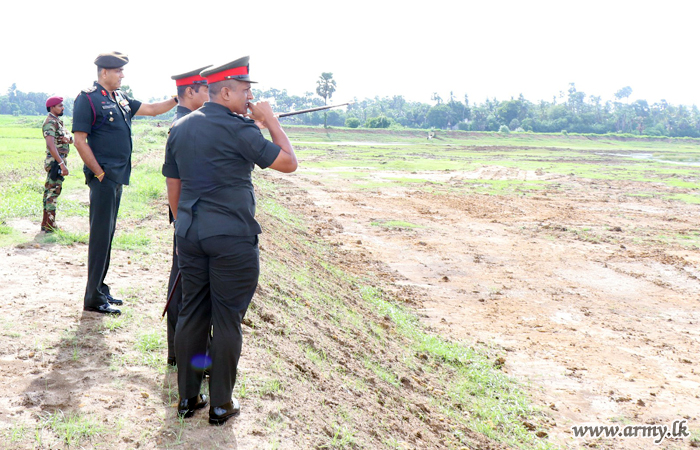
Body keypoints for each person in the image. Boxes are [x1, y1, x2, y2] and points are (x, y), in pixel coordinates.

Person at [163, 56, 297, 424]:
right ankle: (221, 403)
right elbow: (288, 162)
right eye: (246, 92)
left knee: (192, 313)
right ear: (225, 92)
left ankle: (188, 399)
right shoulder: (242, 130)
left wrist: (182, 223)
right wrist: (269, 120)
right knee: (226, 319)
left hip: (190, 234)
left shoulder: (181, 127)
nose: (251, 99)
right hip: (232, 240)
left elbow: (173, 184)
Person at [72, 51, 179, 316]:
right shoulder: (87, 99)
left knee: (107, 234)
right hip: (104, 178)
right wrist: (98, 173)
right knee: (100, 236)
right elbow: (79, 139)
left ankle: (100, 288)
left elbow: (153, 110)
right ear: (104, 72)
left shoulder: (120, 98)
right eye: (118, 71)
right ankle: (93, 298)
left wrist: (179, 98)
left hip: (117, 177)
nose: (122, 75)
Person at [165, 65, 211, 367]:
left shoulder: (190, 121)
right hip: (190, 222)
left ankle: (181, 353)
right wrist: (182, 222)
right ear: (191, 91)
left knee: (185, 287)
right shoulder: (185, 124)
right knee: (185, 290)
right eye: (205, 89)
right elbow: (174, 184)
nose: (209, 94)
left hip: (191, 221)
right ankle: (182, 355)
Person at [41, 96, 73, 232]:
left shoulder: (58, 122)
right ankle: (50, 225)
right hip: (55, 162)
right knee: (53, 192)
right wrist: (61, 163)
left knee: (49, 191)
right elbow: (50, 144)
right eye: (60, 105)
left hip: (58, 161)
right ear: (52, 107)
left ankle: (45, 224)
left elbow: (70, 138)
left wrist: (68, 138)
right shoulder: (50, 122)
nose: (62, 108)